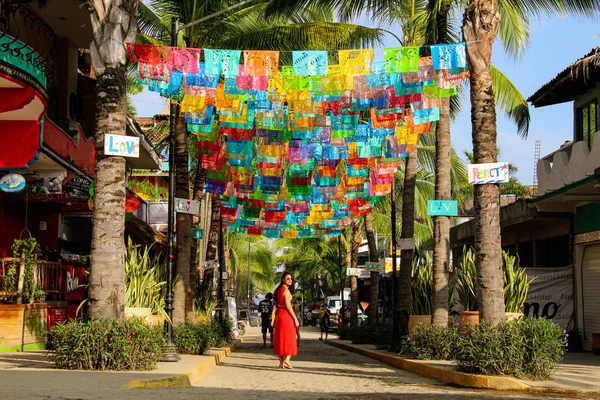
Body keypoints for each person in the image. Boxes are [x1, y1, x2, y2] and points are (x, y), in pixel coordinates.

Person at [273, 272, 299, 369]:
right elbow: (288, 306)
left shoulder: (279, 290)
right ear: (283, 279)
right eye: (288, 279)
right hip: (286, 315)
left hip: (280, 314)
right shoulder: (286, 291)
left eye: (291, 279)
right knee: (290, 337)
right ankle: (287, 360)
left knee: (280, 337)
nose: (290, 280)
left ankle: (281, 363)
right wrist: (295, 318)